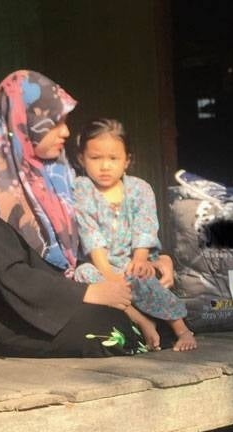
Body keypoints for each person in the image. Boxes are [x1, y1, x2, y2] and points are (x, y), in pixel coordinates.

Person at [0, 70, 146, 357]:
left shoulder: (55, 178)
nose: (66, 132)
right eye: (56, 123)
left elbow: (93, 239)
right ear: (23, 122)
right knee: (111, 332)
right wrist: (88, 293)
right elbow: (8, 276)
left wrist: (156, 260)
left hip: (62, 296)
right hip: (5, 314)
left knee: (152, 309)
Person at [73, 119, 196, 352]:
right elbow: (90, 234)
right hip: (100, 265)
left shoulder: (140, 189)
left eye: (113, 158)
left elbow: (145, 226)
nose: (105, 166)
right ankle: (140, 320)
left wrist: (140, 259)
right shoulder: (81, 189)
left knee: (143, 278)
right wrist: (109, 275)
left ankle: (182, 329)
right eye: (95, 158)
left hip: (133, 261)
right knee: (83, 274)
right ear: (81, 159)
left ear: (127, 160)